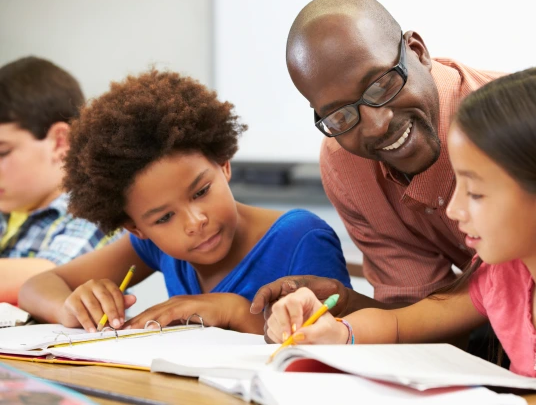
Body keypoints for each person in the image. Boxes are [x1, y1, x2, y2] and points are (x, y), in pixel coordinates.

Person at [266, 67, 536, 384]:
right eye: (458, 185)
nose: (454, 210)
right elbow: (399, 324)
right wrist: (338, 332)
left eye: (476, 193)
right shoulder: (506, 277)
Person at [18, 69, 351, 335]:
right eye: (163, 218)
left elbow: (336, 341)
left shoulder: (301, 238)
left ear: (224, 164)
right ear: (136, 227)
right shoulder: (152, 246)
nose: (195, 222)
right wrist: (71, 306)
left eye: (201, 191)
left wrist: (232, 311)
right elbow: (37, 286)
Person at [251, 0, 503, 318]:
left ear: (418, 52)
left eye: (382, 85)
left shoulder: (526, 123)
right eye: (340, 115)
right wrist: (346, 305)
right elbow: (419, 318)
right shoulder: (345, 166)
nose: (376, 125)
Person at [0, 57, 119, 305]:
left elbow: (54, 278)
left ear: (59, 142)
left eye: (3, 152)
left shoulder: (94, 210)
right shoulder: (9, 208)